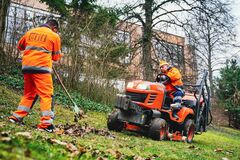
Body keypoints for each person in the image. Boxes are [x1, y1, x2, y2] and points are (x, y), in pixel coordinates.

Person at [9, 19, 63, 133]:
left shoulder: (30, 32)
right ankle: (46, 124)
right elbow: (56, 57)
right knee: (46, 95)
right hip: (42, 68)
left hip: (27, 67)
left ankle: (16, 117)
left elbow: (20, 46)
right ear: (54, 28)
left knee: (29, 94)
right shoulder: (54, 36)